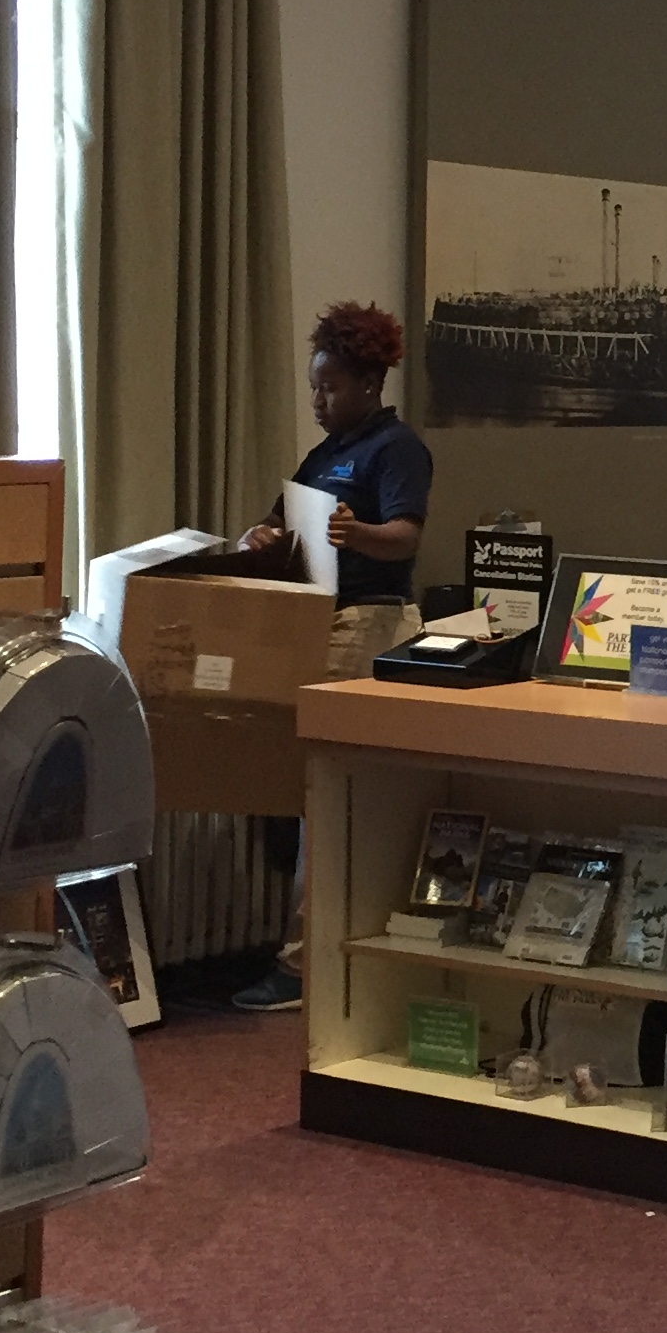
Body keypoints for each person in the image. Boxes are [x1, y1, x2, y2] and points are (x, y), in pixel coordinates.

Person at [234, 302, 434, 1011]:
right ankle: (304, 947)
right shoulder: (321, 456)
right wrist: (260, 536)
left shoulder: (395, 449)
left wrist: (360, 531)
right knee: (299, 791)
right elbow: (278, 522)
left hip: (369, 624)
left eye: (331, 388)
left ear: (369, 384)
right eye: (314, 387)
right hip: (314, 621)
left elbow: (405, 538)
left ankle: (300, 964)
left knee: (326, 794)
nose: (318, 400)